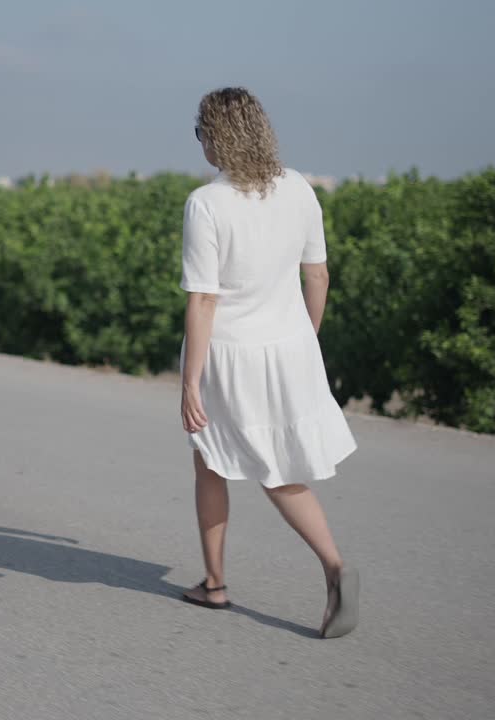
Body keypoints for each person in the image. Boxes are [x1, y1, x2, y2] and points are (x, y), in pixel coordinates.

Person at [177, 87, 359, 638]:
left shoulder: (206, 203)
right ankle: (236, 579)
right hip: (289, 347)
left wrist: (189, 381)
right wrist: (306, 338)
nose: (199, 142)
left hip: (228, 355)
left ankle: (235, 580)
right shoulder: (299, 188)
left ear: (216, 138)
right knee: (257, 465)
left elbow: (204, 299)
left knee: (222, 459)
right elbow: (318, 276)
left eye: (200, 131)